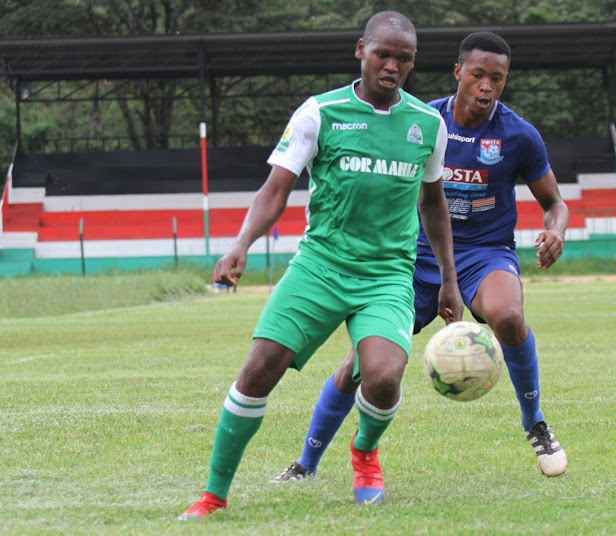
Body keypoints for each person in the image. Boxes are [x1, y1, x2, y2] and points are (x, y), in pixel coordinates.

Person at [177, 11, 464, 519]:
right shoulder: (319, 113)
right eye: (383, 54)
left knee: (382, 373)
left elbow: (434, 204)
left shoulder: (428, 124)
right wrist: (241, 243)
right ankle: (214, 495)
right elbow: (275, 190)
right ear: (361, 50)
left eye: (405, 58)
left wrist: (448, 280)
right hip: (321, 266)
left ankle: (364, 453)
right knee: (259, 369)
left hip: (386, 275)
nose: (393, 66)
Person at [272, 31, 570, 485]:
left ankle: (535, 423)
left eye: (497, 78)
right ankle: (306, 463)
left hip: (484, 254)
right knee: (361, 365)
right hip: (413, 258)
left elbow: (555, 202)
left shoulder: (518, 136)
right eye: (477, 75)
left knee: (508, 315)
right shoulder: (421, 121)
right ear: (458, 74)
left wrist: (556, 229)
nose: (487, 86)